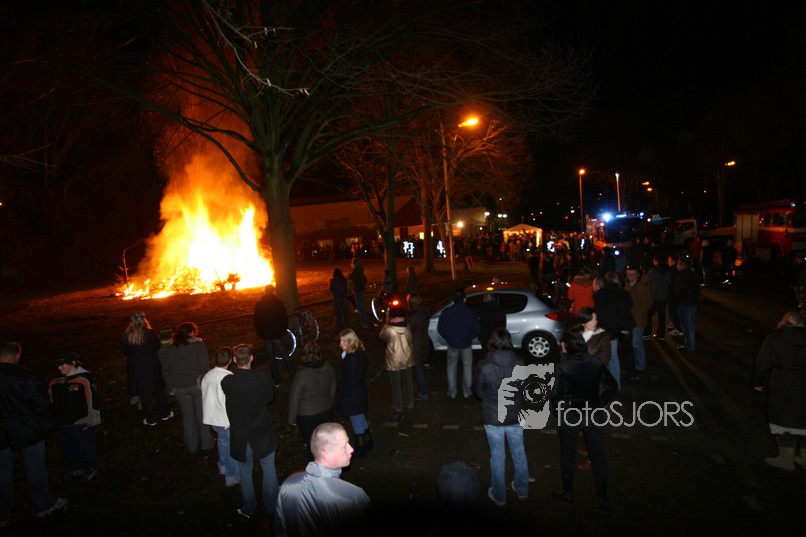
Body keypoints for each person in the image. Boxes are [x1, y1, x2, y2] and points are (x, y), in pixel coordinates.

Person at [551, 327, 618, 511]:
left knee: (568, 454)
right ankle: (602, 499)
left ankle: (568, 493)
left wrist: (559, 411)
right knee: (598, 455)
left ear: (567, 346)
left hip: (571, 415)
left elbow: (556, 397)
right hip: (593, 413)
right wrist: (599, 402)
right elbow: (612, 386)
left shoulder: (563, 368)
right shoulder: (595, 362)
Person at [1, 341, 68, 526]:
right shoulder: (24, 377)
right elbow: (41, 404)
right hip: (28, 431)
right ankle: (45, 504)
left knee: (2, 473)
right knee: (35, 469)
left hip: (2, 434)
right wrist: (47, 426)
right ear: (17, 355)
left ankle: (2, 513)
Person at [275, 422, 371, 536]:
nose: (351, 449)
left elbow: (281, 531)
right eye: (344, 446)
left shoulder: (288, 486)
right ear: (327, 455)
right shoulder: (353, 496)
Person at [221, 345, 280, 520]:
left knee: (245, 473)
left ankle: (249, 507)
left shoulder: (227, 382)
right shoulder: (261, 379)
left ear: (234, 360)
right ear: (251, 358)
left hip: (241, 436)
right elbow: (269, 397)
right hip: (262, 432)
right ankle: (272, 506)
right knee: (269, 469)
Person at [473, 328, 529, 507]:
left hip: (493, 416)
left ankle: (500, 496)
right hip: (515, 415)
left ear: (492, 342)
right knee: (519, 453)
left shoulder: (484, 366)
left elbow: (479, 392)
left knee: (497, 456)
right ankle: (522, 489)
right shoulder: (520, 363)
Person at [751, 311, 806, 471]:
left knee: (784, 419)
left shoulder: (775, 339)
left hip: (782, 383)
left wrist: (757, 382)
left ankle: (786, 459)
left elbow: (762, 363)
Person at [159, 321, 214, 454]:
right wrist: (204, 382)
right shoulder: (198, 345)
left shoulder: (169, 349)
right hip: (197, 386)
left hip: (180, 388)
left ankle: (191, 446)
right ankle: (207, 444)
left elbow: (166, 370)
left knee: (188, 417)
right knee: (202, 414)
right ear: (191, 333)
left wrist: (171, 387)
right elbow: (205, 366)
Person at [48, 351, 101, 482]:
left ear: (72, 363)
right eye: (58, 365)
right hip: (63, 421)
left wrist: (93, 417)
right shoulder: (55, 381)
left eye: (63, 364)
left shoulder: (84, 379)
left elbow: (93, 398)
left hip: (80, 420)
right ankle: (76, 467)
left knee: (84, 444)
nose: (60, 368)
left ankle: (90, 467)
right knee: (68, 446)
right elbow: (51, 399)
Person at [121, 311, 174, 426]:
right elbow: (157, 346)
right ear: (144, 320)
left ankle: (151, 419)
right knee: (159, 389)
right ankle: (165, 413)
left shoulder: (125, 336)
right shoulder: (150, 333)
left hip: (136, 368)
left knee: (143, 393)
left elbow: (125, 352)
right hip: (152, 365)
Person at [287, 343, 336, 461]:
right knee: (325, 440)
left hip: (307, 415)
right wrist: (329, 402)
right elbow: (333, 388)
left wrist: (291, 419)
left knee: (312, 442)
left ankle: (315, 464)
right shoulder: (328, 367)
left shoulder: (301, 375)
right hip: (326, 409)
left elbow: (295, 398)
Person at [201, 346, 239, 487]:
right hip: (225, 420)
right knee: (231, 447)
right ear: (230, 361)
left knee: (222, 442)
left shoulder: (208, 375)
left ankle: (222, 465)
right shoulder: (228, 378)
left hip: (213, 419)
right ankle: (231, 475)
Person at [437, 289, 481, 399]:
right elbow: (476, 329)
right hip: (466, 343)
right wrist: (469, 337)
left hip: (452, 343)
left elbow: (440, 328)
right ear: (464, 299)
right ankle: (466, 391)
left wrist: (449, 337)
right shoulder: (470, 312)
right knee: (467, 367)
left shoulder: (446, 312)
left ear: (453, 300)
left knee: (451, 366)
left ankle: (452, 391)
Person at [336, 329, 372, 456]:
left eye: (343, 341)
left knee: (356, 422)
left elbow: (350, 380)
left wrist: (343, 393)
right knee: (361, 419)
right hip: (359, 392)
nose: (340, 344)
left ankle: (361, 447)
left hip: (353, 396)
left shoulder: (351, 359)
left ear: (350, 341)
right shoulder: (359, 352)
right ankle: (368, 441)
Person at [379, 304, 415, 419]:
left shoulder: (389, 330)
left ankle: (399, 407)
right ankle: (410, 403)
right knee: (408, 382)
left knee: (396, 386)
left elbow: (381, 337)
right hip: (408, 359)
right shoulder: (407, 327)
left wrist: (386, 324)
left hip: (393, 361)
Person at [254, 284, 294, 387]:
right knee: (285, 354)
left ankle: (277, 381)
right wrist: (283, 330)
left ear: (264, 292)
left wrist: (260, 333)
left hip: (266, 335)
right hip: (277, 334)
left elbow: (256, 321)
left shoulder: (259, 305)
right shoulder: (278, 303)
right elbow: (284, 318)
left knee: (271, 358)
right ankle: (293, 376)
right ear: (273, 291)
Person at [625, 266, 653, 378]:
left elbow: (648, 303)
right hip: (630, 319)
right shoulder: (628, 286)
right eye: (629, 274)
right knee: (633, 343)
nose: (631, 276)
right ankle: (637, 363)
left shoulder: (641, 287)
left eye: (633, 274)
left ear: (637, 275)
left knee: (636, 343)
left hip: (638, 319)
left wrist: (638, 311)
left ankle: (640, 365)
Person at [674, 256, 701, 352]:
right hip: (692, 303)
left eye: (678, 264)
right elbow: (697, 289)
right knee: (689, 326)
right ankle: (689, 345)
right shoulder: (693, 274)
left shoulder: (682, 277)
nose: (676, 266)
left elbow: (679, 291)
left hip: (685, 304)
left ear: (682, 266)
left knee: (687, 327)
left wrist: (677, 300)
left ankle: (689, 347)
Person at [407, 293, 430, 400]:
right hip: (423, 341)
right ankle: (419, 385)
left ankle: (423, 392)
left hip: (416, 345)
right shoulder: (424, 310)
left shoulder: (414, 315)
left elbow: (409, 330)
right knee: (418, 366)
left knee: (418, 367)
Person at [644, 255, 671, 340]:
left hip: (653, 297)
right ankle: (661, 334)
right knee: (662, 316)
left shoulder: (653, 271)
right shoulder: (667, 271)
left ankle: (648, 333)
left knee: (648, 315)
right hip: (663, 297)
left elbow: (645, 280)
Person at [348, 258, 370, 328]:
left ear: (353, 264)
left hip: (358, 290)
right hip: (361, 290)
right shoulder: (360, 270)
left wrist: (353, 288)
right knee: (361, 306)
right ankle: (365, 320)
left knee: (360, 307)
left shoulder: (355, 271)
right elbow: (365, 280)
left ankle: (365, 322)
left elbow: (354, 280)